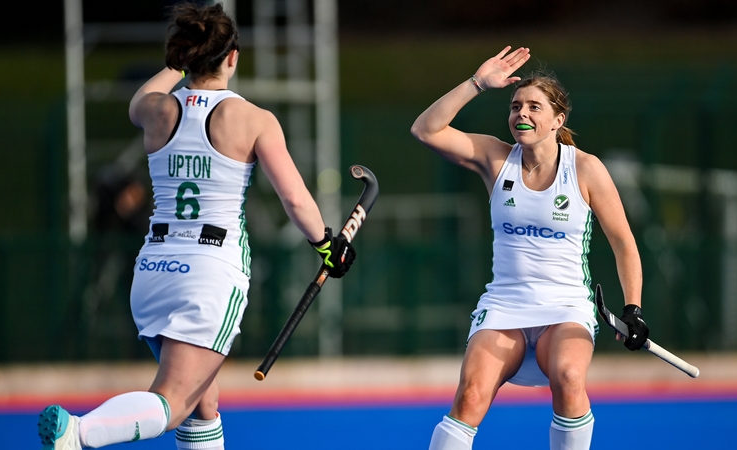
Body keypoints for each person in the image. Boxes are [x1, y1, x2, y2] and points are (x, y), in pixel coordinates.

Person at [37, 3, 355, 449]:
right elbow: (295, 199)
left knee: (203, 405)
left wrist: (177, 66)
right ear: (233, 57)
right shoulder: (254, 119)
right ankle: (79, 433)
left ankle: (84, 432)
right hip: (209, 275)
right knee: (176, 401)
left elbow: (138, 100)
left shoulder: (155, 110)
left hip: (153, 272)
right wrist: (326, 243)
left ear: (185, 56)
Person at [410, 46, 649, 450]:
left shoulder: (586, 169)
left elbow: (624, 242)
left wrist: (633, 309)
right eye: (516, 105)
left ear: (558, 120)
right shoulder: (494, 157)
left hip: (566, 305)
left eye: (534, 107)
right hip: (506, 303)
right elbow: (425, 130)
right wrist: (475, 84)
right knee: (469, 395)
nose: (521, 113)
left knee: (571, 380)